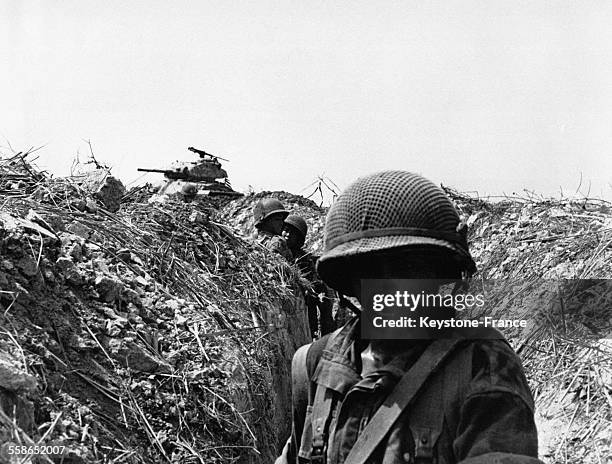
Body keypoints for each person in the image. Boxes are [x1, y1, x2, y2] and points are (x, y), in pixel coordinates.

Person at [275, 171, 542, 464]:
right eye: (372, 269)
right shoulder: (314, 364)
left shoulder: (481, 363)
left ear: (442, 274)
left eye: (409, 266)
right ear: (350, 281)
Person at [283, 215, 336, 337]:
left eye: (293, 233)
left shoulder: (304, 258)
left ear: (299, 238)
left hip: (306, 302)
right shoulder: (277, 251)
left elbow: (314, 281)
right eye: (286, 229)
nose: (287, 234)